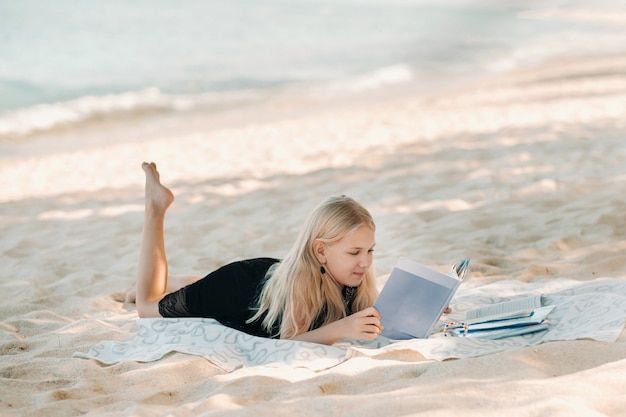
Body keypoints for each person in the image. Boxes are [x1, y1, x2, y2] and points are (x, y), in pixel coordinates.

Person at [129, 162, 383, 345]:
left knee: (196, 287)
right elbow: (290, 340)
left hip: (266, 283)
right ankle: (155, 207)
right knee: (147, 306)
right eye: (354, 252)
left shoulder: (357, 276)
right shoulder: (302, 282)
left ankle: (182, 281)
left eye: (370, 250)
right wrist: (342, 329)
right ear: (321, 251)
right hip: (236, 288)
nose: (365, 261)